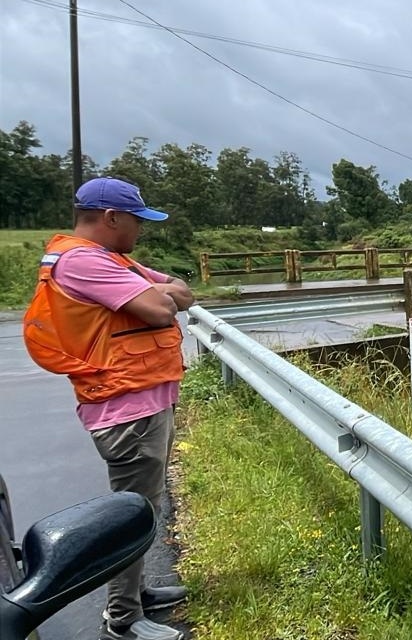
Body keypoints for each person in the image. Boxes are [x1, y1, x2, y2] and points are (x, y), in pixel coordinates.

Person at [23, 177, 193, 640]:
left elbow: (181, 292)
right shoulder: (83, 262)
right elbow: (161, 308)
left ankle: (136, 594)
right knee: (132, 511)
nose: (140, 229)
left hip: (141, 396)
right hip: (126, 407)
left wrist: (162, 295)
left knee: (143, 506)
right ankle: (122, 618)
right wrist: (160, 297)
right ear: (111, 217)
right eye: (136, 220)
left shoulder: (109, 258)